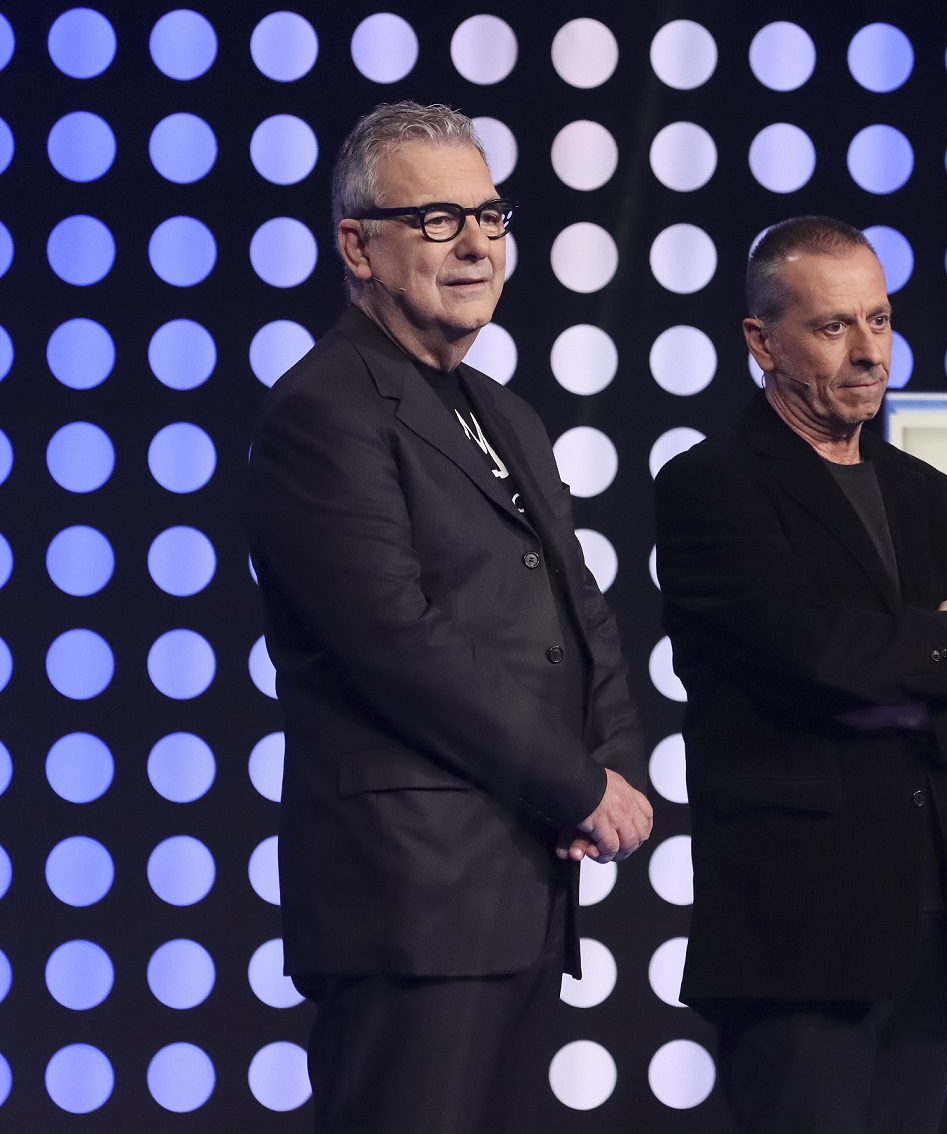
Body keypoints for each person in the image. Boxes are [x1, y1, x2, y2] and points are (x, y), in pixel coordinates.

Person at [247, 101, 653, 1133]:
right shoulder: (322, 409)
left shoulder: (504, 412)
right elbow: (397, 641)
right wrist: (576, 784)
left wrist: (615, 757)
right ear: (358, 247)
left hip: (520, 889)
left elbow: (578, 608)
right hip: (410, 898)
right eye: (436, 219)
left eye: (488, 215)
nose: (475, 244)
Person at [654, 216, 947, 1134]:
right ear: (762, 342)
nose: (869, 351)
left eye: (878, 320)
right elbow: (812, 657)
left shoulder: (928, 495)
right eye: (834, 326)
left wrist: (911, 706)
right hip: (800, 937)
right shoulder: (711, 485)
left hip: (934, 920)